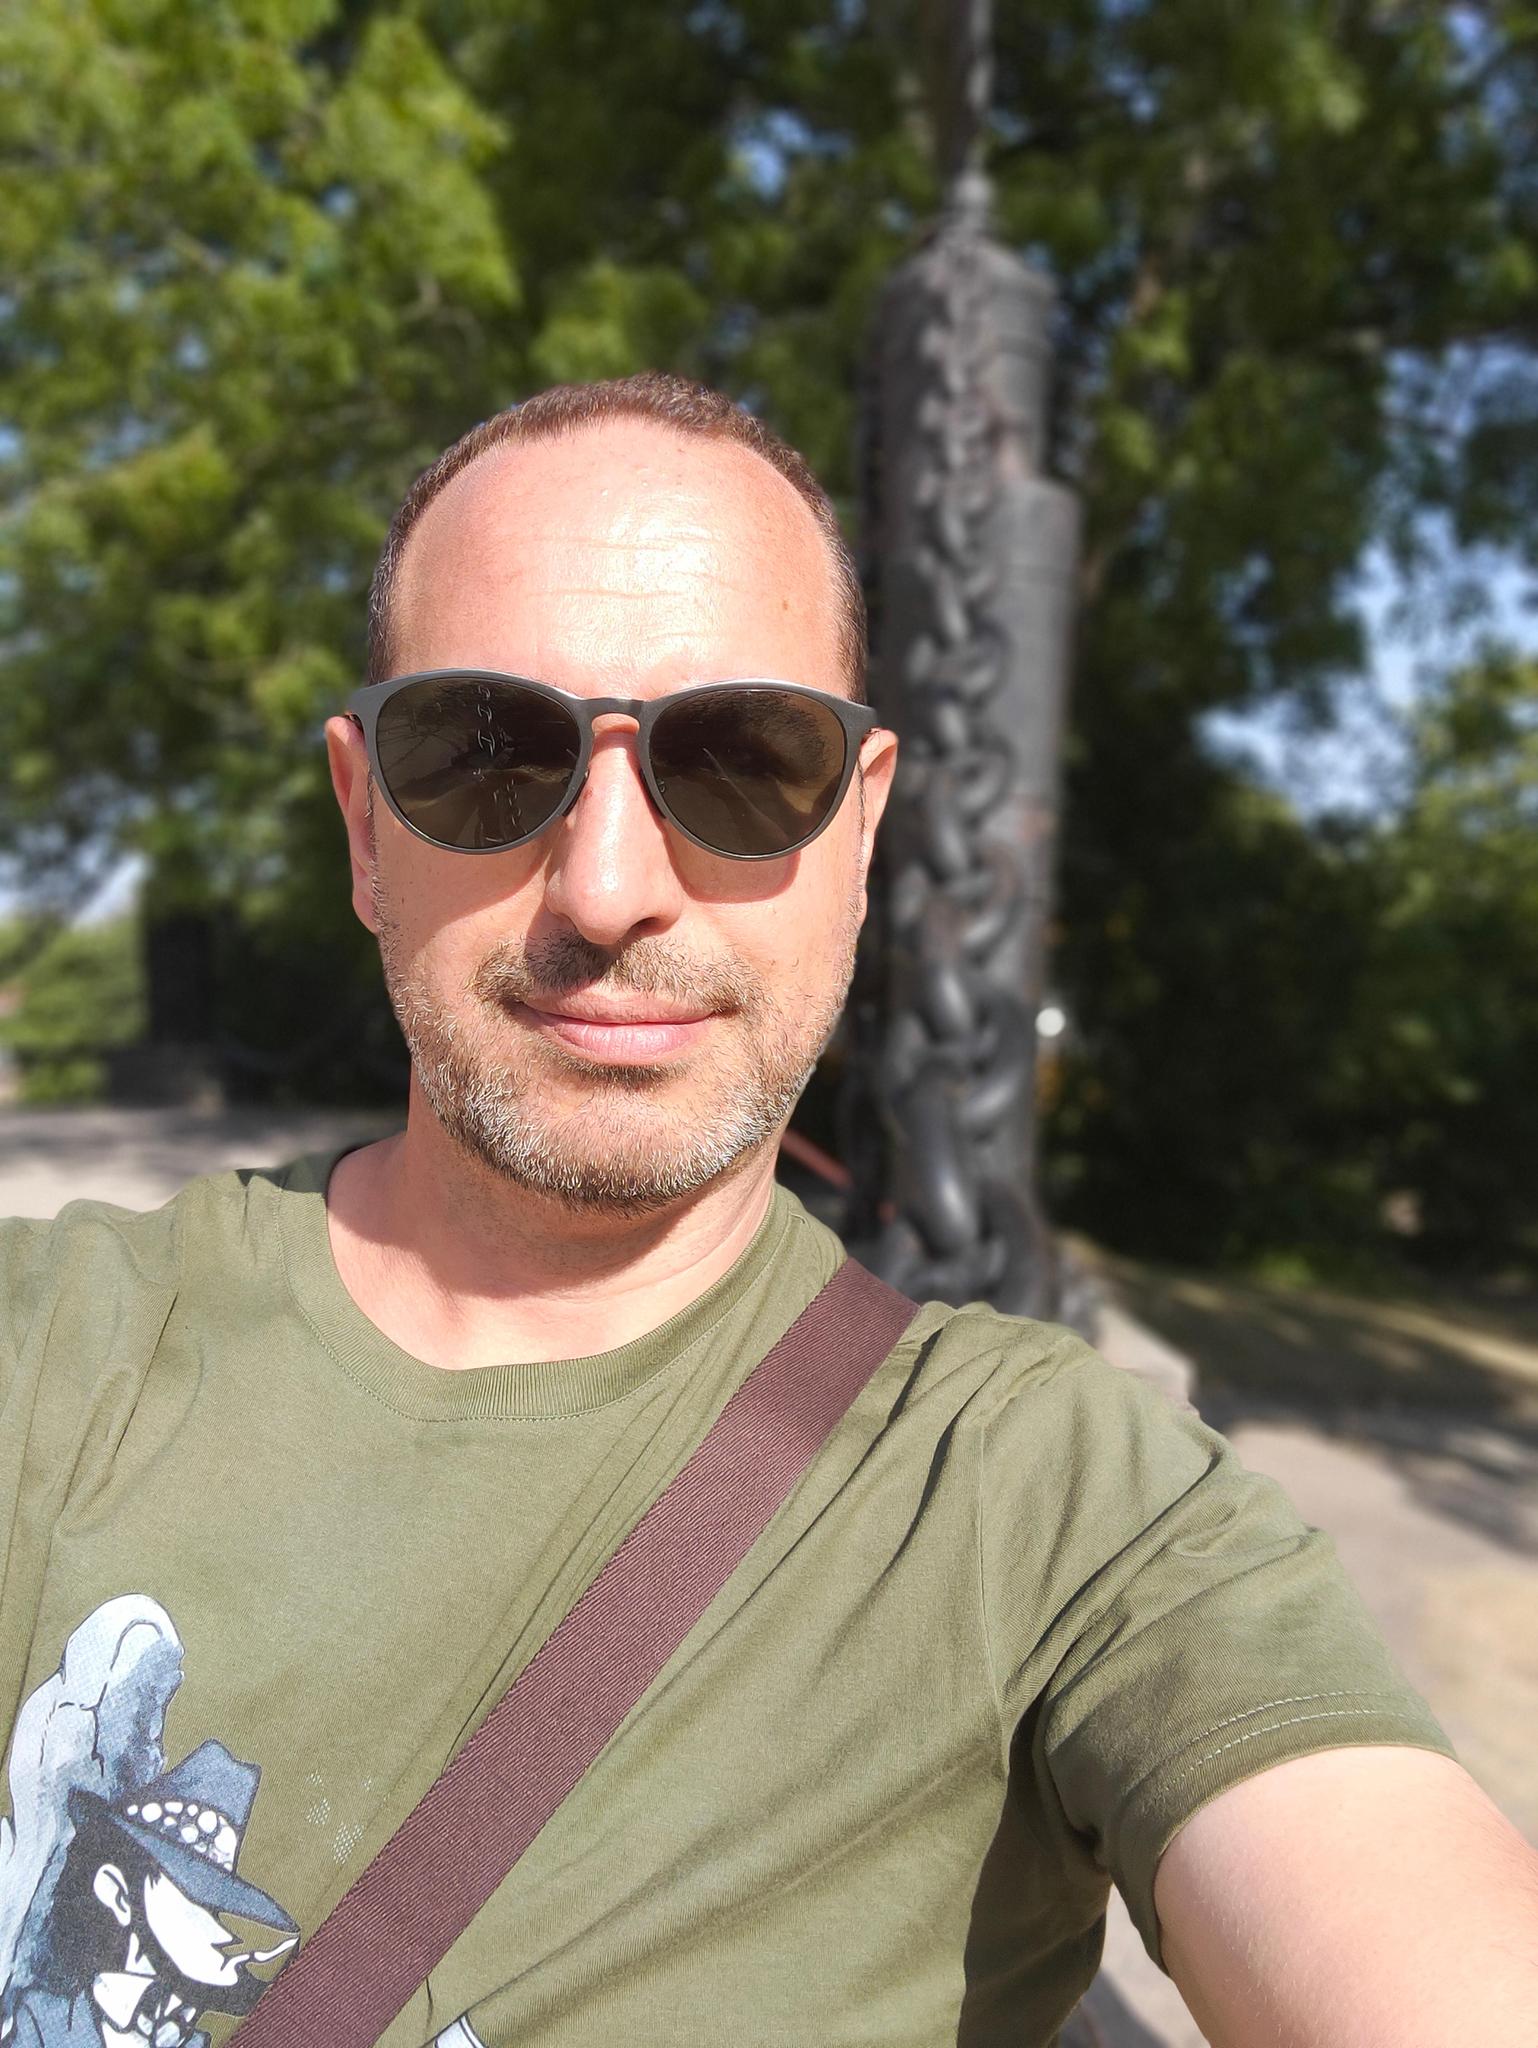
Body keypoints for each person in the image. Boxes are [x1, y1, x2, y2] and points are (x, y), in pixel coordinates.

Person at [0, 374, 1533, 2048]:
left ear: (862, 825)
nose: (607, 889)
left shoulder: (1057, 1509)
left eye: (740, 762)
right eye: (487, 753)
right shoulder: (53, 1354)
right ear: (365, 820)